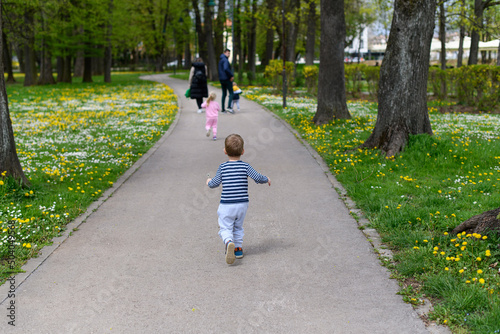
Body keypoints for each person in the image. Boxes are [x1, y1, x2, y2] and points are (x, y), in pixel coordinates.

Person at [206, 134, 271, 264]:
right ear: (243, 151)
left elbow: (215, 183)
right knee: (238, 226)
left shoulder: (222, 167)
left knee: (225, 227)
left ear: (225, 151)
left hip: (227, 204)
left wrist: (208, 181)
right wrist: (266, 179)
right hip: (242, 204)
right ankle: (238, 249)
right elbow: (257, 177)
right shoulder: (245, 166)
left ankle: (229, 242)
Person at [218, 49, 234, 113]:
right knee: (231, 92)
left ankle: (222, 109)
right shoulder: (225, 60)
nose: (229, 54)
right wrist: (231, 76)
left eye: (229, 53)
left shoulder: (221, 60)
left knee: (224, 93)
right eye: (227, 53)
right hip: (227, 79)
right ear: (224, 53)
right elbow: (226, 68)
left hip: (221, 79)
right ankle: (229, 107)